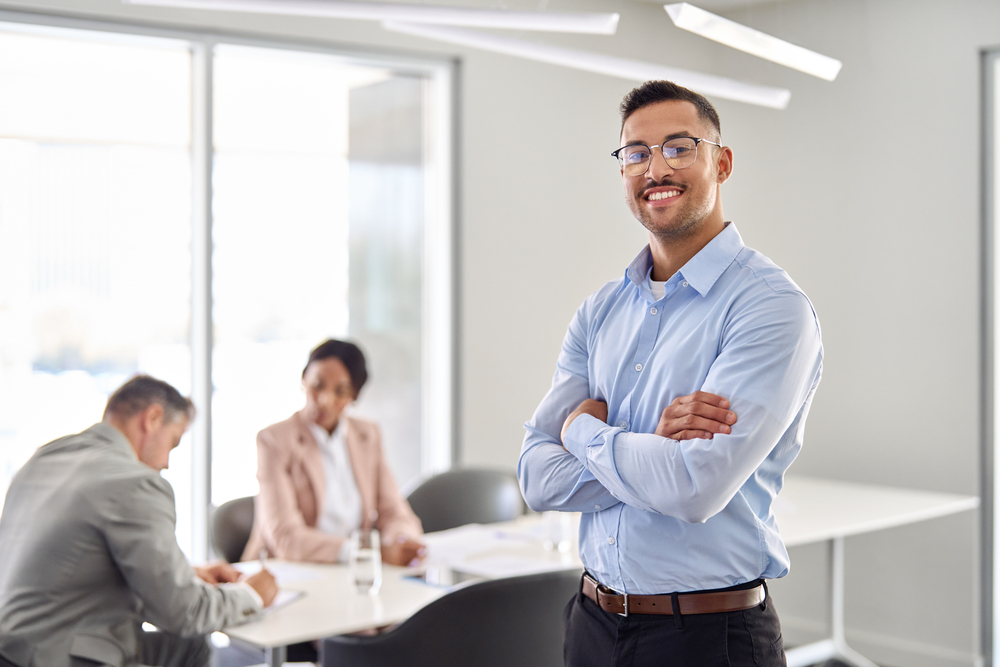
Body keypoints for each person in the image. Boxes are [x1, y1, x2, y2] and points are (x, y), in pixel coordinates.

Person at [518, 80, 823, 667]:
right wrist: (648, 450)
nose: (655, 168)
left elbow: (694, 488)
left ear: (722, 162)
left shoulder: (769, 306)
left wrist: (583, 436)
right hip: (591, 625)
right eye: (636, 153)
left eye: (679, 147)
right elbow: (535, 477)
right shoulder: (600, 310)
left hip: (708, 637)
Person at [0, 375, 278, 667]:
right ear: (153, 418)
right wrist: (251, 596)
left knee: (187, 648)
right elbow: (182, 612)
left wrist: (185, 574)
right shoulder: (134, 483)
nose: (167, 463)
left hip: (13, 648)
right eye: (173, 443)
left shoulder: (43, 460)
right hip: (60, 658)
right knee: (191, 637)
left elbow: (70, 570)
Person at [244, 338, 424, 567]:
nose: (324, 400)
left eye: (340, 391)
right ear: (303, 380)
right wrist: (367, 552)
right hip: (288, 571)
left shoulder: (366, 435)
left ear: (354, 397)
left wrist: (402, 540)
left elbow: (394, 510)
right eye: (317, 385)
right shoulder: (274, 441)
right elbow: (285, 537)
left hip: (351, 573)